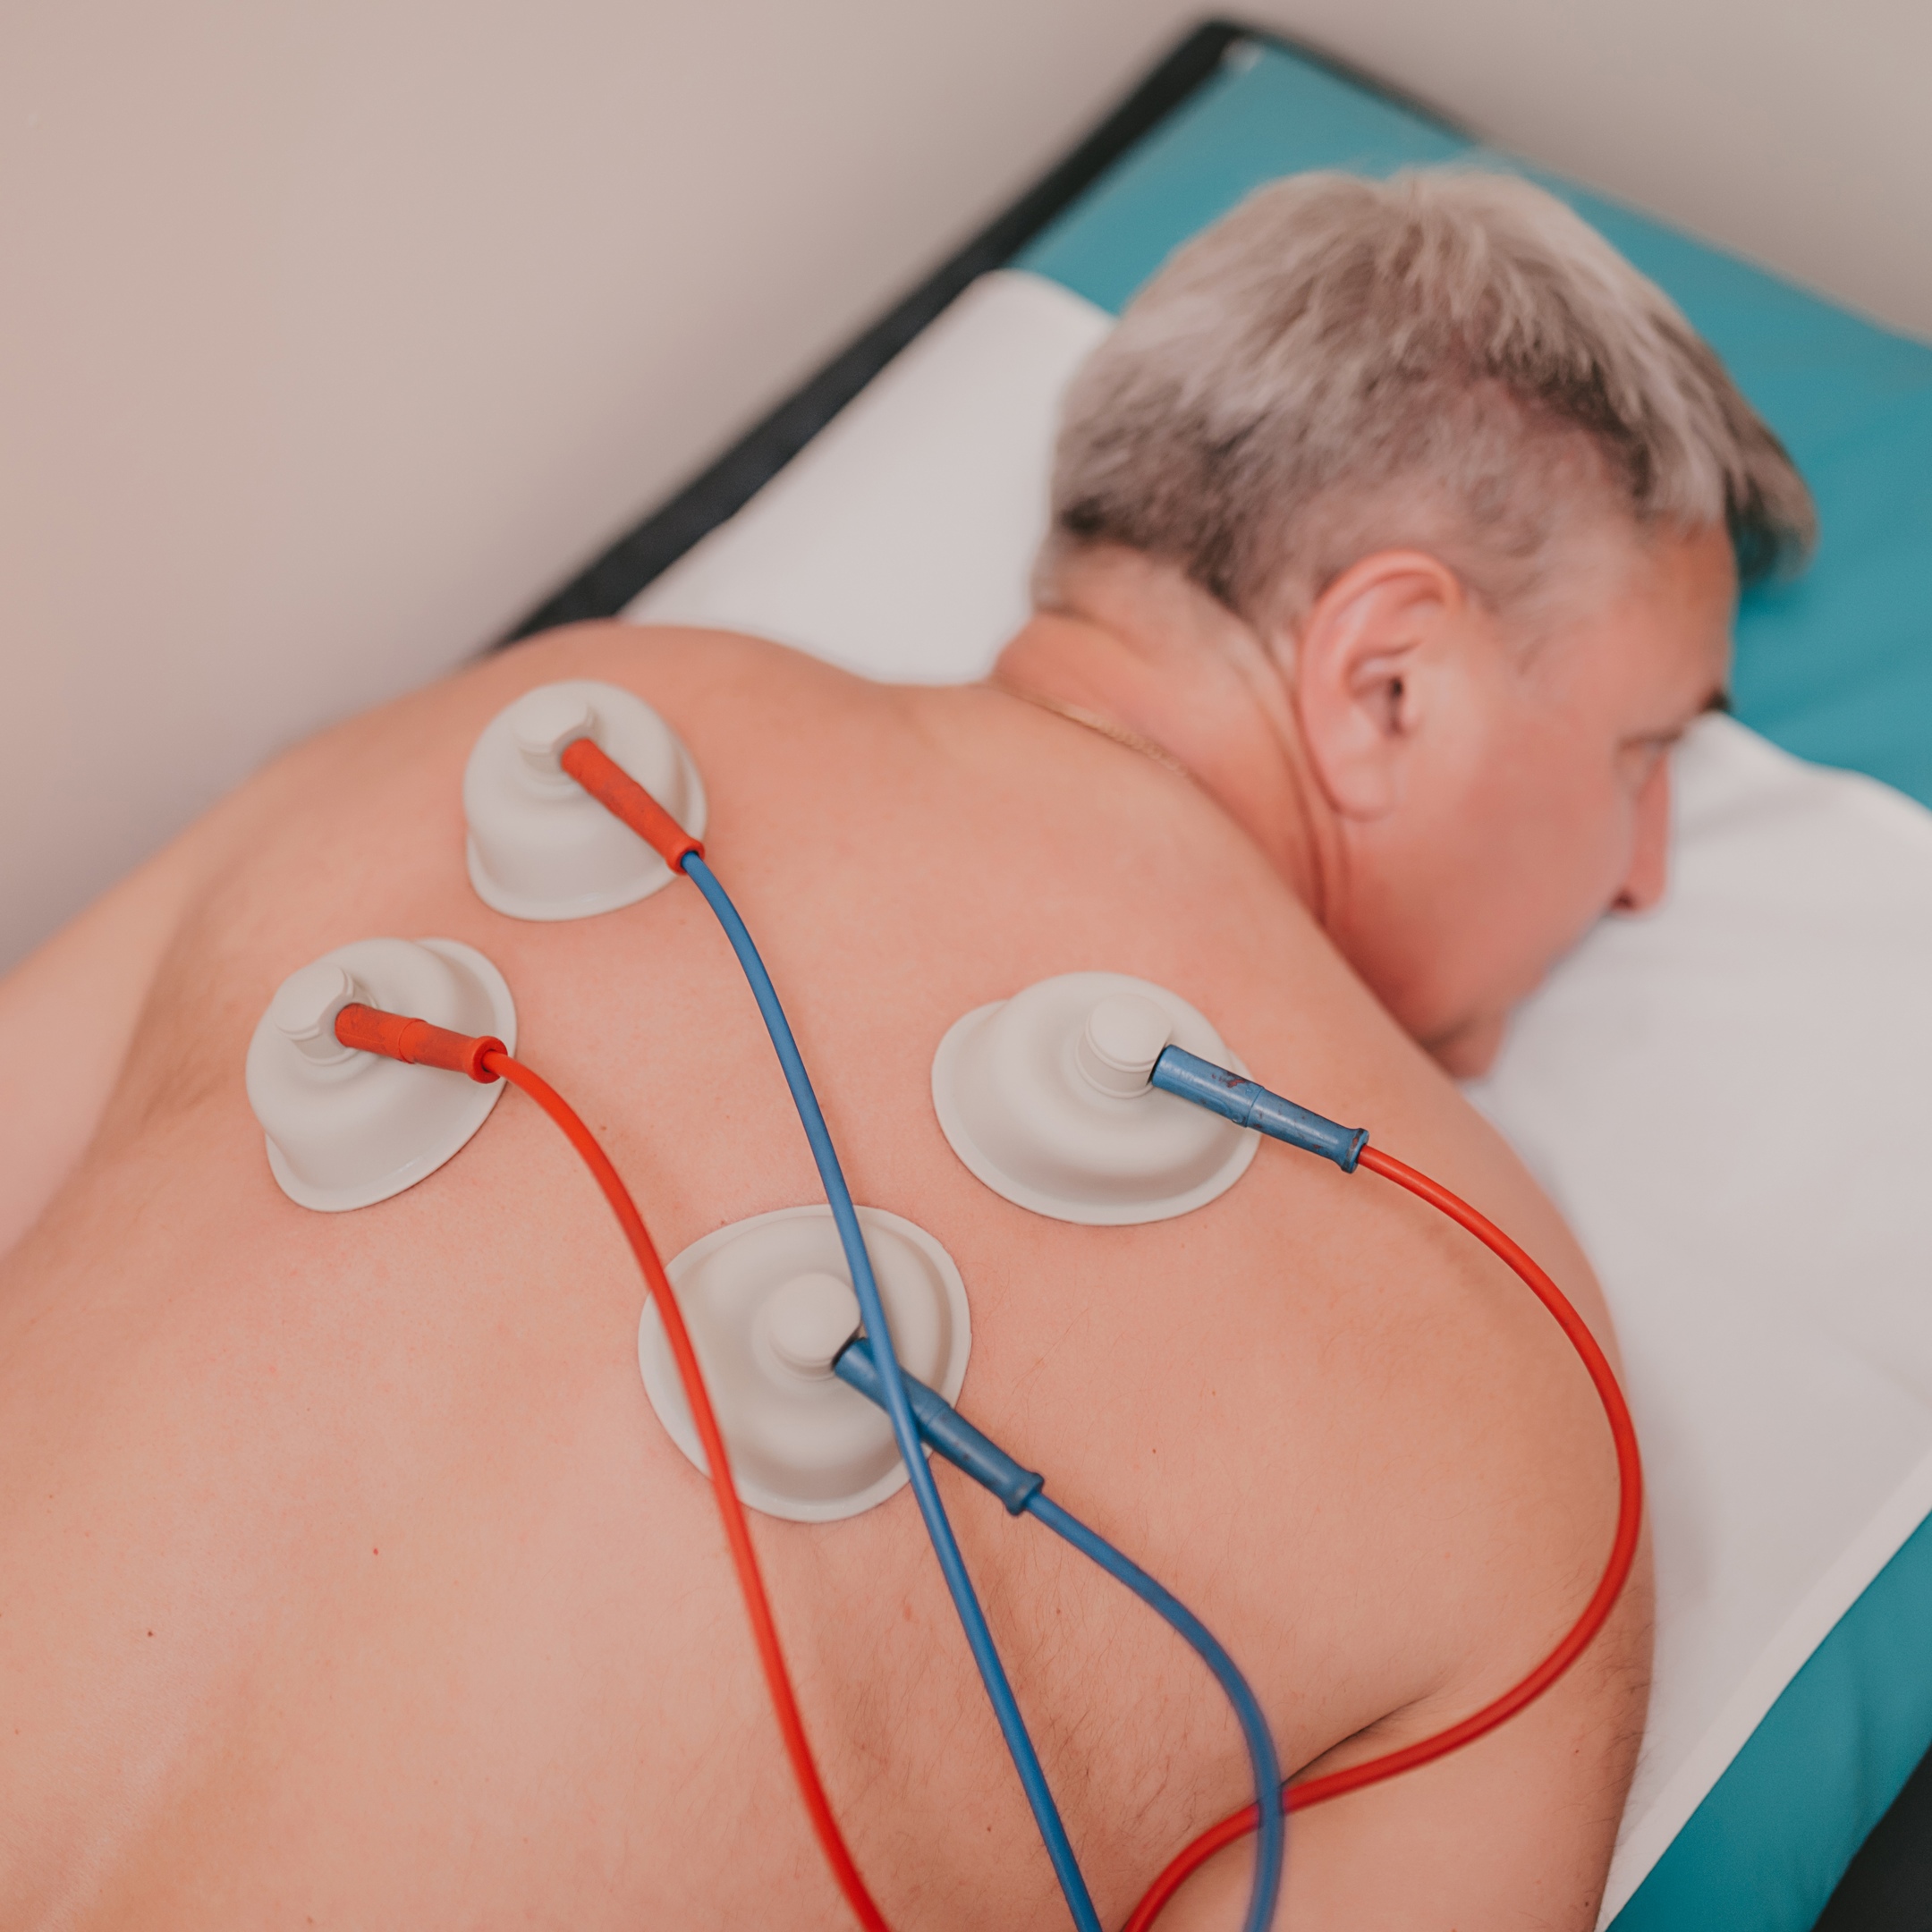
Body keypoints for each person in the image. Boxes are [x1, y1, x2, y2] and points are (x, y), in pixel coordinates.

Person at [0, 170, 1810, 1929]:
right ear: (1386, 673)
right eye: (1646, 754)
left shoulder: (488, 731)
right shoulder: (1495, 1392)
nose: (1648, 870)